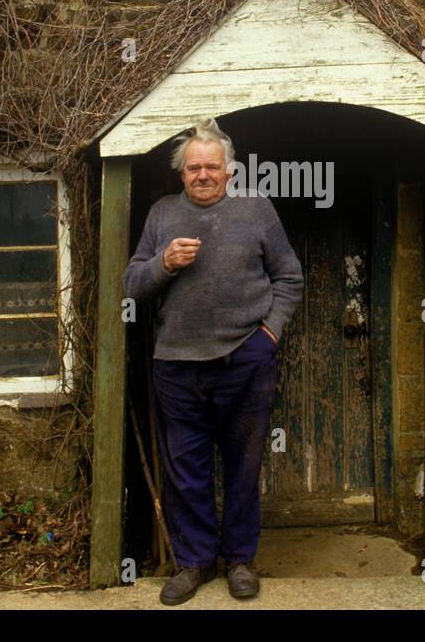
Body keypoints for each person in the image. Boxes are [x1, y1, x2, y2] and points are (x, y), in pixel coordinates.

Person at [123, 118, 304, 605]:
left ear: (229, 171)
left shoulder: (256, 210)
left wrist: (268, 335)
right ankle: (196, 563)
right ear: (182, 174)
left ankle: (240, 561)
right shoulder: (162, 215)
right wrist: (163, 263)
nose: (203, 175)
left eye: (212, 167)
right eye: (193, 168)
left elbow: (289, 277)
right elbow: (131, 285)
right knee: (186, 469)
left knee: (244, 465)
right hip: (177, 366)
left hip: (245, 362)